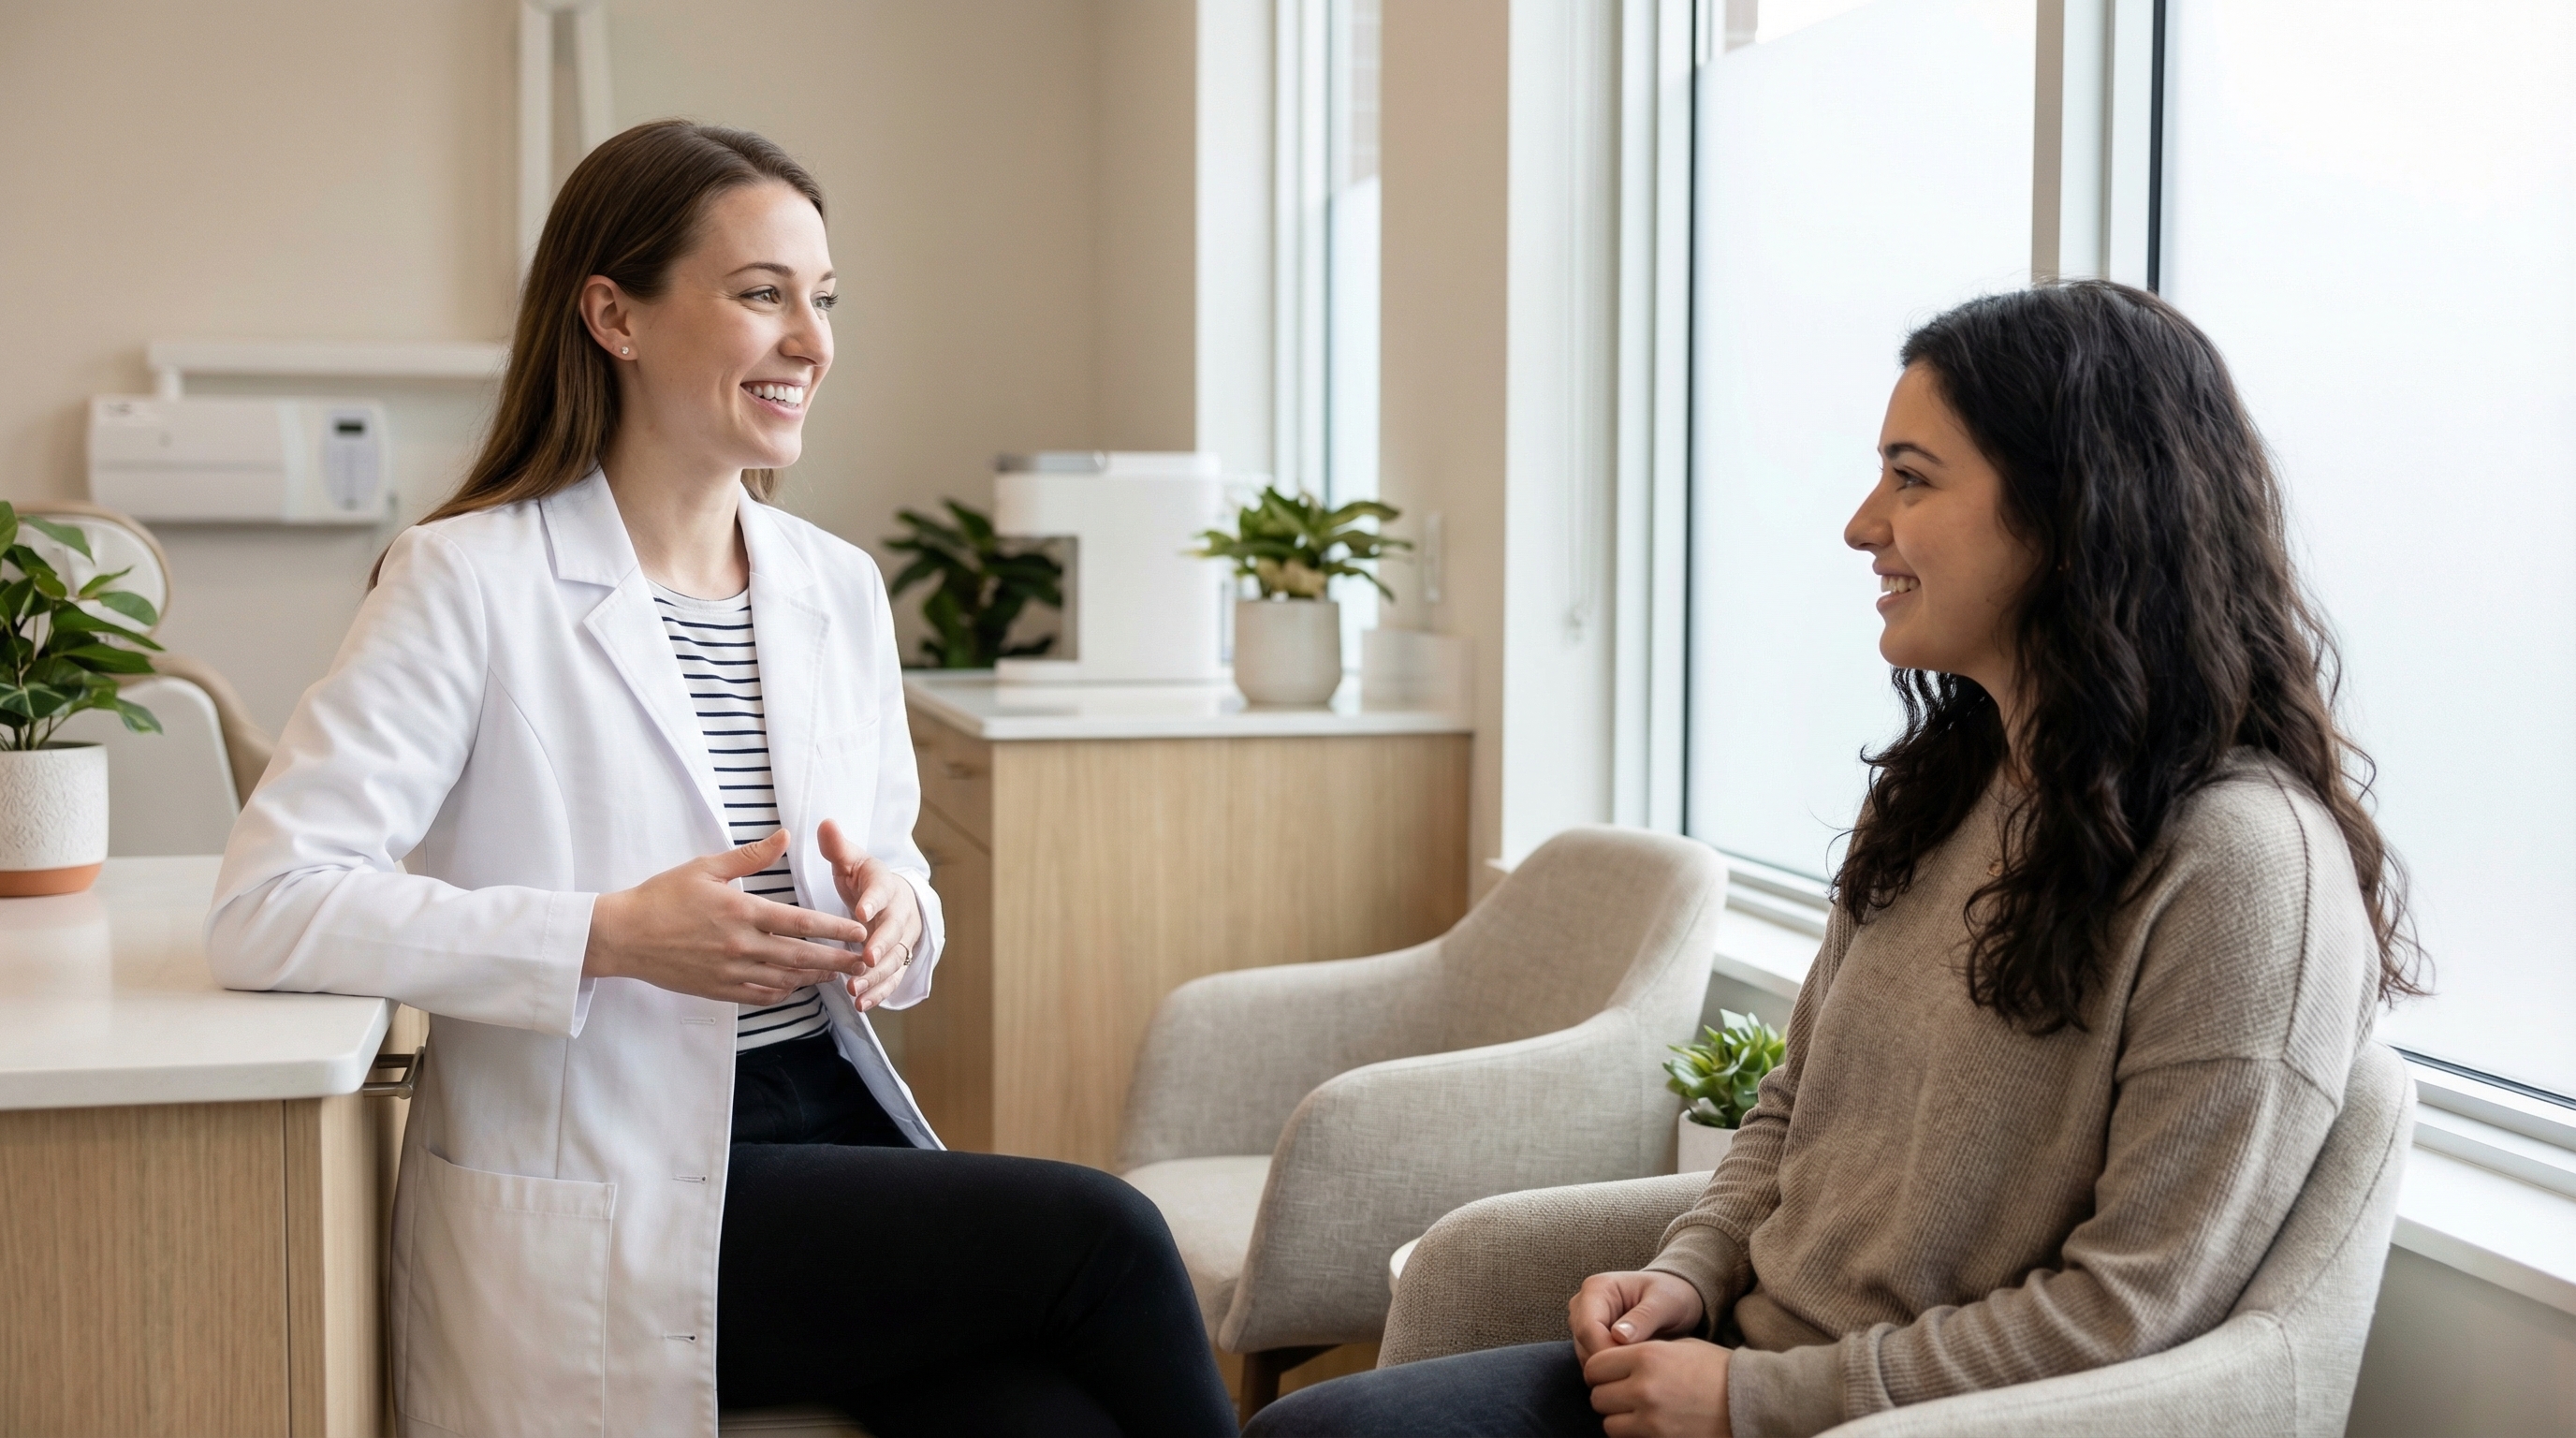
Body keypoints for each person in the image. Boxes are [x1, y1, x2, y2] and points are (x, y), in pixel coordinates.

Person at [1248, 281, 2422, 1438]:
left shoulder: (2247, 872)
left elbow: (2130, 1312)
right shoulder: (1946, 793)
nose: (1864, 524)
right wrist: (1690, 1274)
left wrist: (1757, 1400)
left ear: (2072, 516)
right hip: (1739, 1371)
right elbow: (1796, 1109)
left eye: (1912, 478)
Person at [209, 120, 1237, 1438]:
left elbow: (895, 858)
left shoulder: (833, 587)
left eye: (823, 299)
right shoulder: (466, 581)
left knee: (1054, 1424)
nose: (812, 340)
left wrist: (899, 915)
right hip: (626, 1186)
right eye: (763, 295)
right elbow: (270, 901)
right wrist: (612, 936)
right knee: (1106, 1234)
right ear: (614, 316)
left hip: (832, 1124)